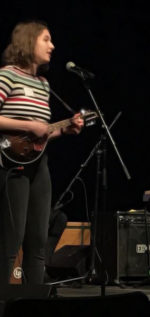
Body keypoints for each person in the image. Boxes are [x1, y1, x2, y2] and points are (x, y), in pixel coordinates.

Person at [0, 21, 84, 285]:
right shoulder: (8, 75)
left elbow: (41, 134)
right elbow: (28, 128)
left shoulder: (44, 85)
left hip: (40, 164)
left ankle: (32, 303)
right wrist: (27, 124)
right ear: (28, 42)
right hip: (10, 164)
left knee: (37, 240)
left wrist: (65, 129)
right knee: (11, 240)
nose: (52, 46)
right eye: (46, 39)